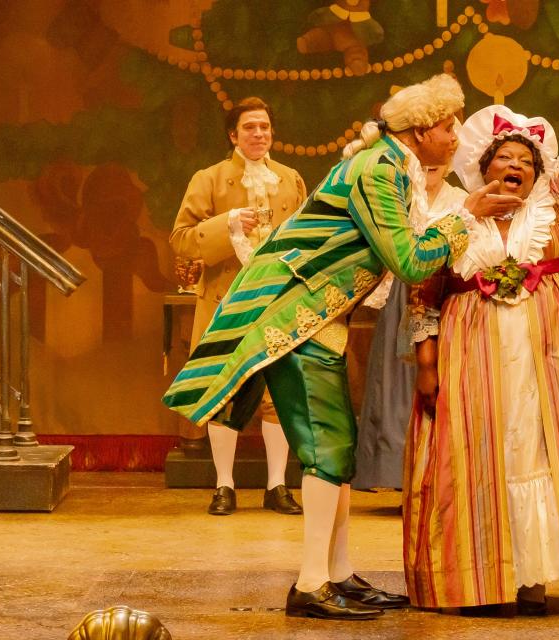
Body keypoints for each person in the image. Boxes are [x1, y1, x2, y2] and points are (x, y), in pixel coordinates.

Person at [163, 74, 504, 620]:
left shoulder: (392, 167)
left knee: (337, 450)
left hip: (321, 319)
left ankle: (338, 573)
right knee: (326, 449)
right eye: (447, 125)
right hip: (298, 318)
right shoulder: (377, 170)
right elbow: (411, 260)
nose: (455, 134)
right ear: (419, 131)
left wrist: (463, 215)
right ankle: (311, 583)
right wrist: (469, 217)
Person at [403, 53, 559, 616]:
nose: (513, 167)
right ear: (483, 168)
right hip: (471, 356)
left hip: (546, 355)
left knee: (535, 449)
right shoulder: (456, 219)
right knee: (477, 456)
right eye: (502, 158)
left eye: (524, 161)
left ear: (538, 174)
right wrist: (428, 365)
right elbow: (424, 293)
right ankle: (481, 577)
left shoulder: (553, 212)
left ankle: (532, 578)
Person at [171, 97, 306, 516]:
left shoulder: (290, 180)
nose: (259, 134)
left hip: (276, 303)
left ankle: (277, 485)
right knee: (224, 392)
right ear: (233, 135)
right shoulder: (209, 179)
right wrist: (226, 225)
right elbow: (181, 238)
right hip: (226, 303)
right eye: (250, 127)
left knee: (277, 395)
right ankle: (224, 485)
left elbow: (306, 236)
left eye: (264, 127)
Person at [352, 162, 467, 491]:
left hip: (445, 301)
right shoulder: (400, 197)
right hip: (402, 296)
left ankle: (439, 476)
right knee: (394, 387)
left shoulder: (460, 200)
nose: (432, 165)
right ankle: (397, 473)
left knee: (440, 383)